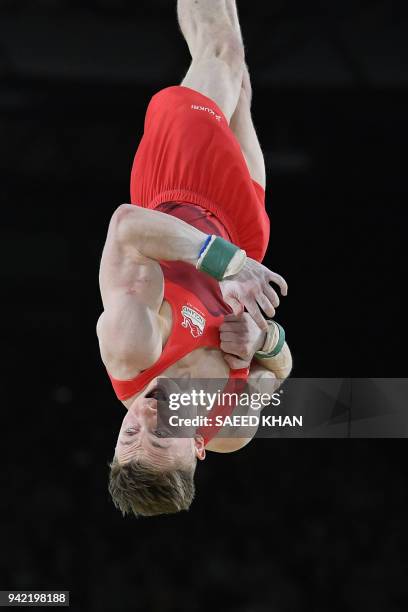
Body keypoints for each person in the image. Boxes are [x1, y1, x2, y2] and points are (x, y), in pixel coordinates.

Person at [97, 0, 292, 517]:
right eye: (161, 438)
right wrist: (264, 340)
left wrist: (228, 264)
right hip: (244, 229)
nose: (148, 416)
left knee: (221, 51)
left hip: (180, 186)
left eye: (130, 432)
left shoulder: (133, 350)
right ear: (198, 450)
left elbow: (126, 226)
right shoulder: (232, 429)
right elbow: (281, 368)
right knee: (242, 85)